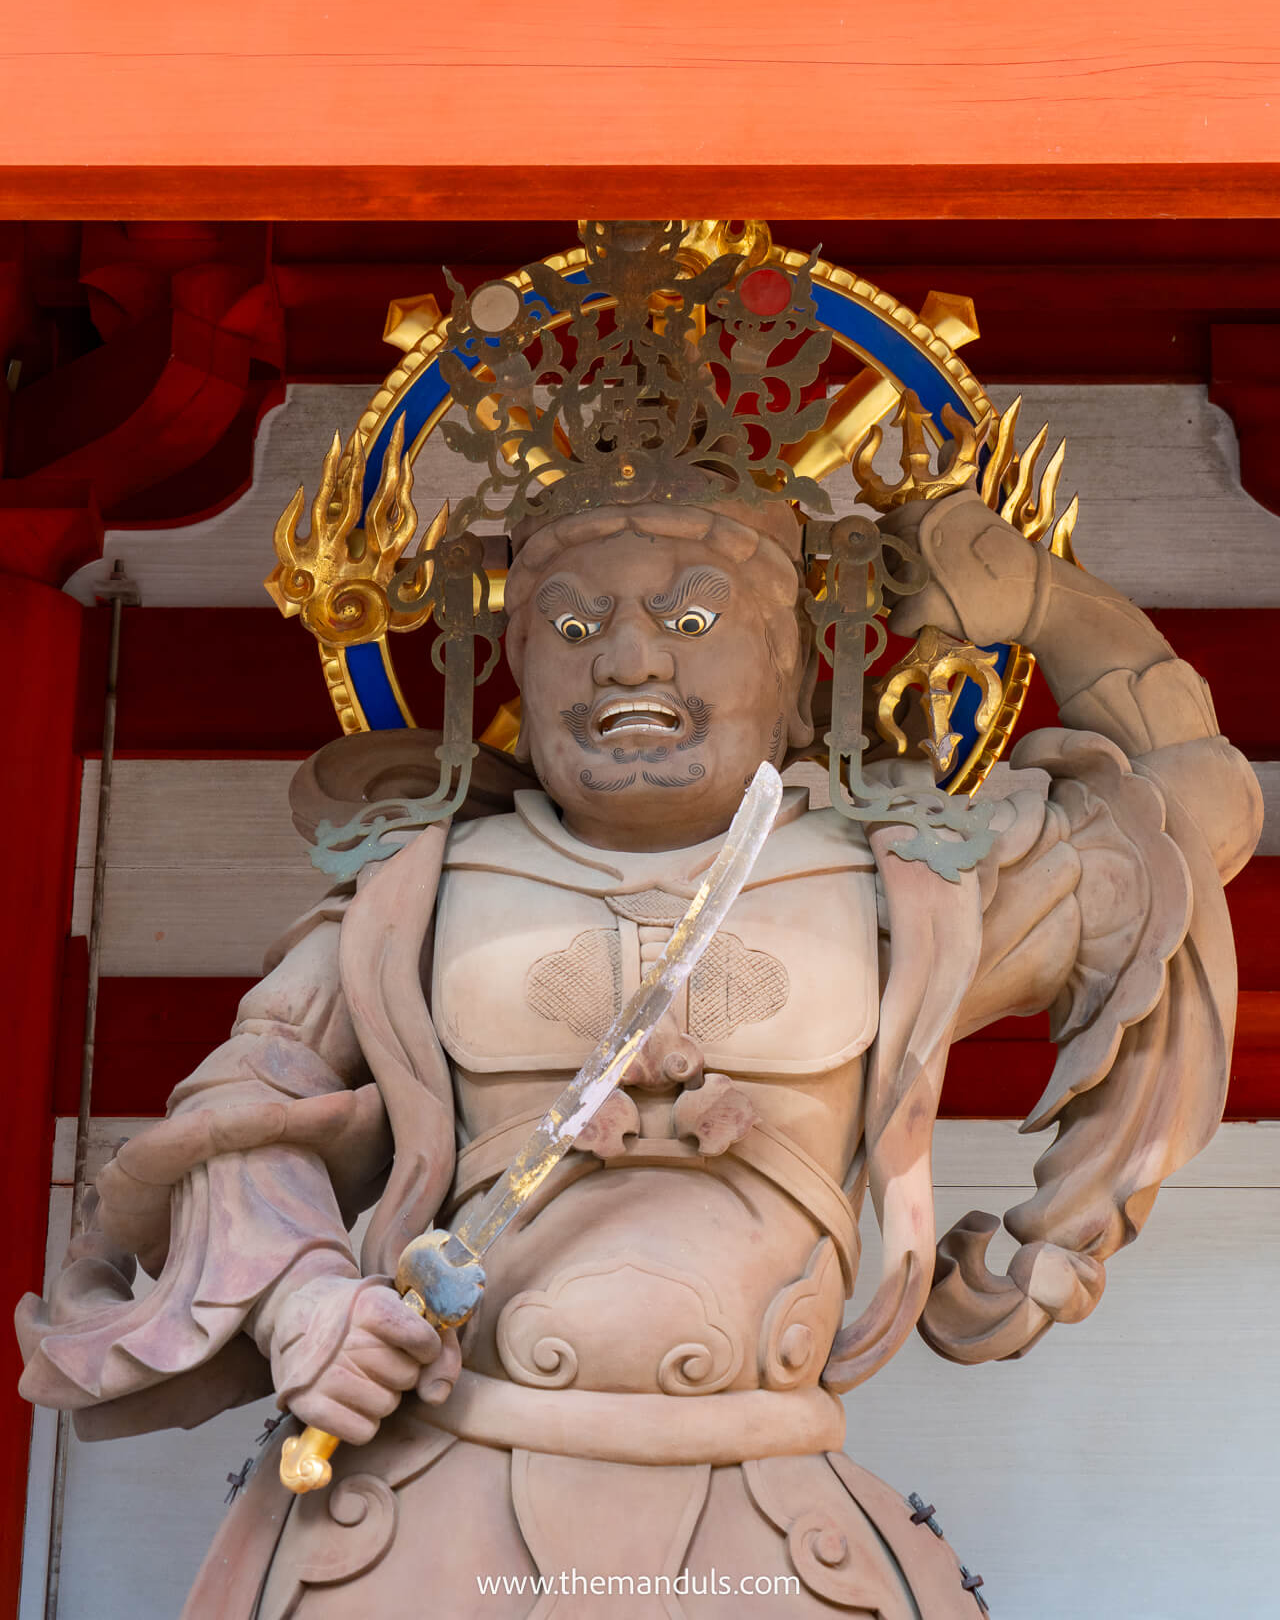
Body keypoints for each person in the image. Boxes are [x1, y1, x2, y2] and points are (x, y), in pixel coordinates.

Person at [17, 228, 1261, 1617]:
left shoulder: (905, 888)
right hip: (429, 1505)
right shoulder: (418, 892)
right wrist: (308, 1299)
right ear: (503, 663)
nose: (627, 658)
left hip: (773, 1510)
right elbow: (238, 1116)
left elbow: (1195, 812)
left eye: (695, 614)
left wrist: (1048, 602)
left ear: (800, 667)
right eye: (568, 624)